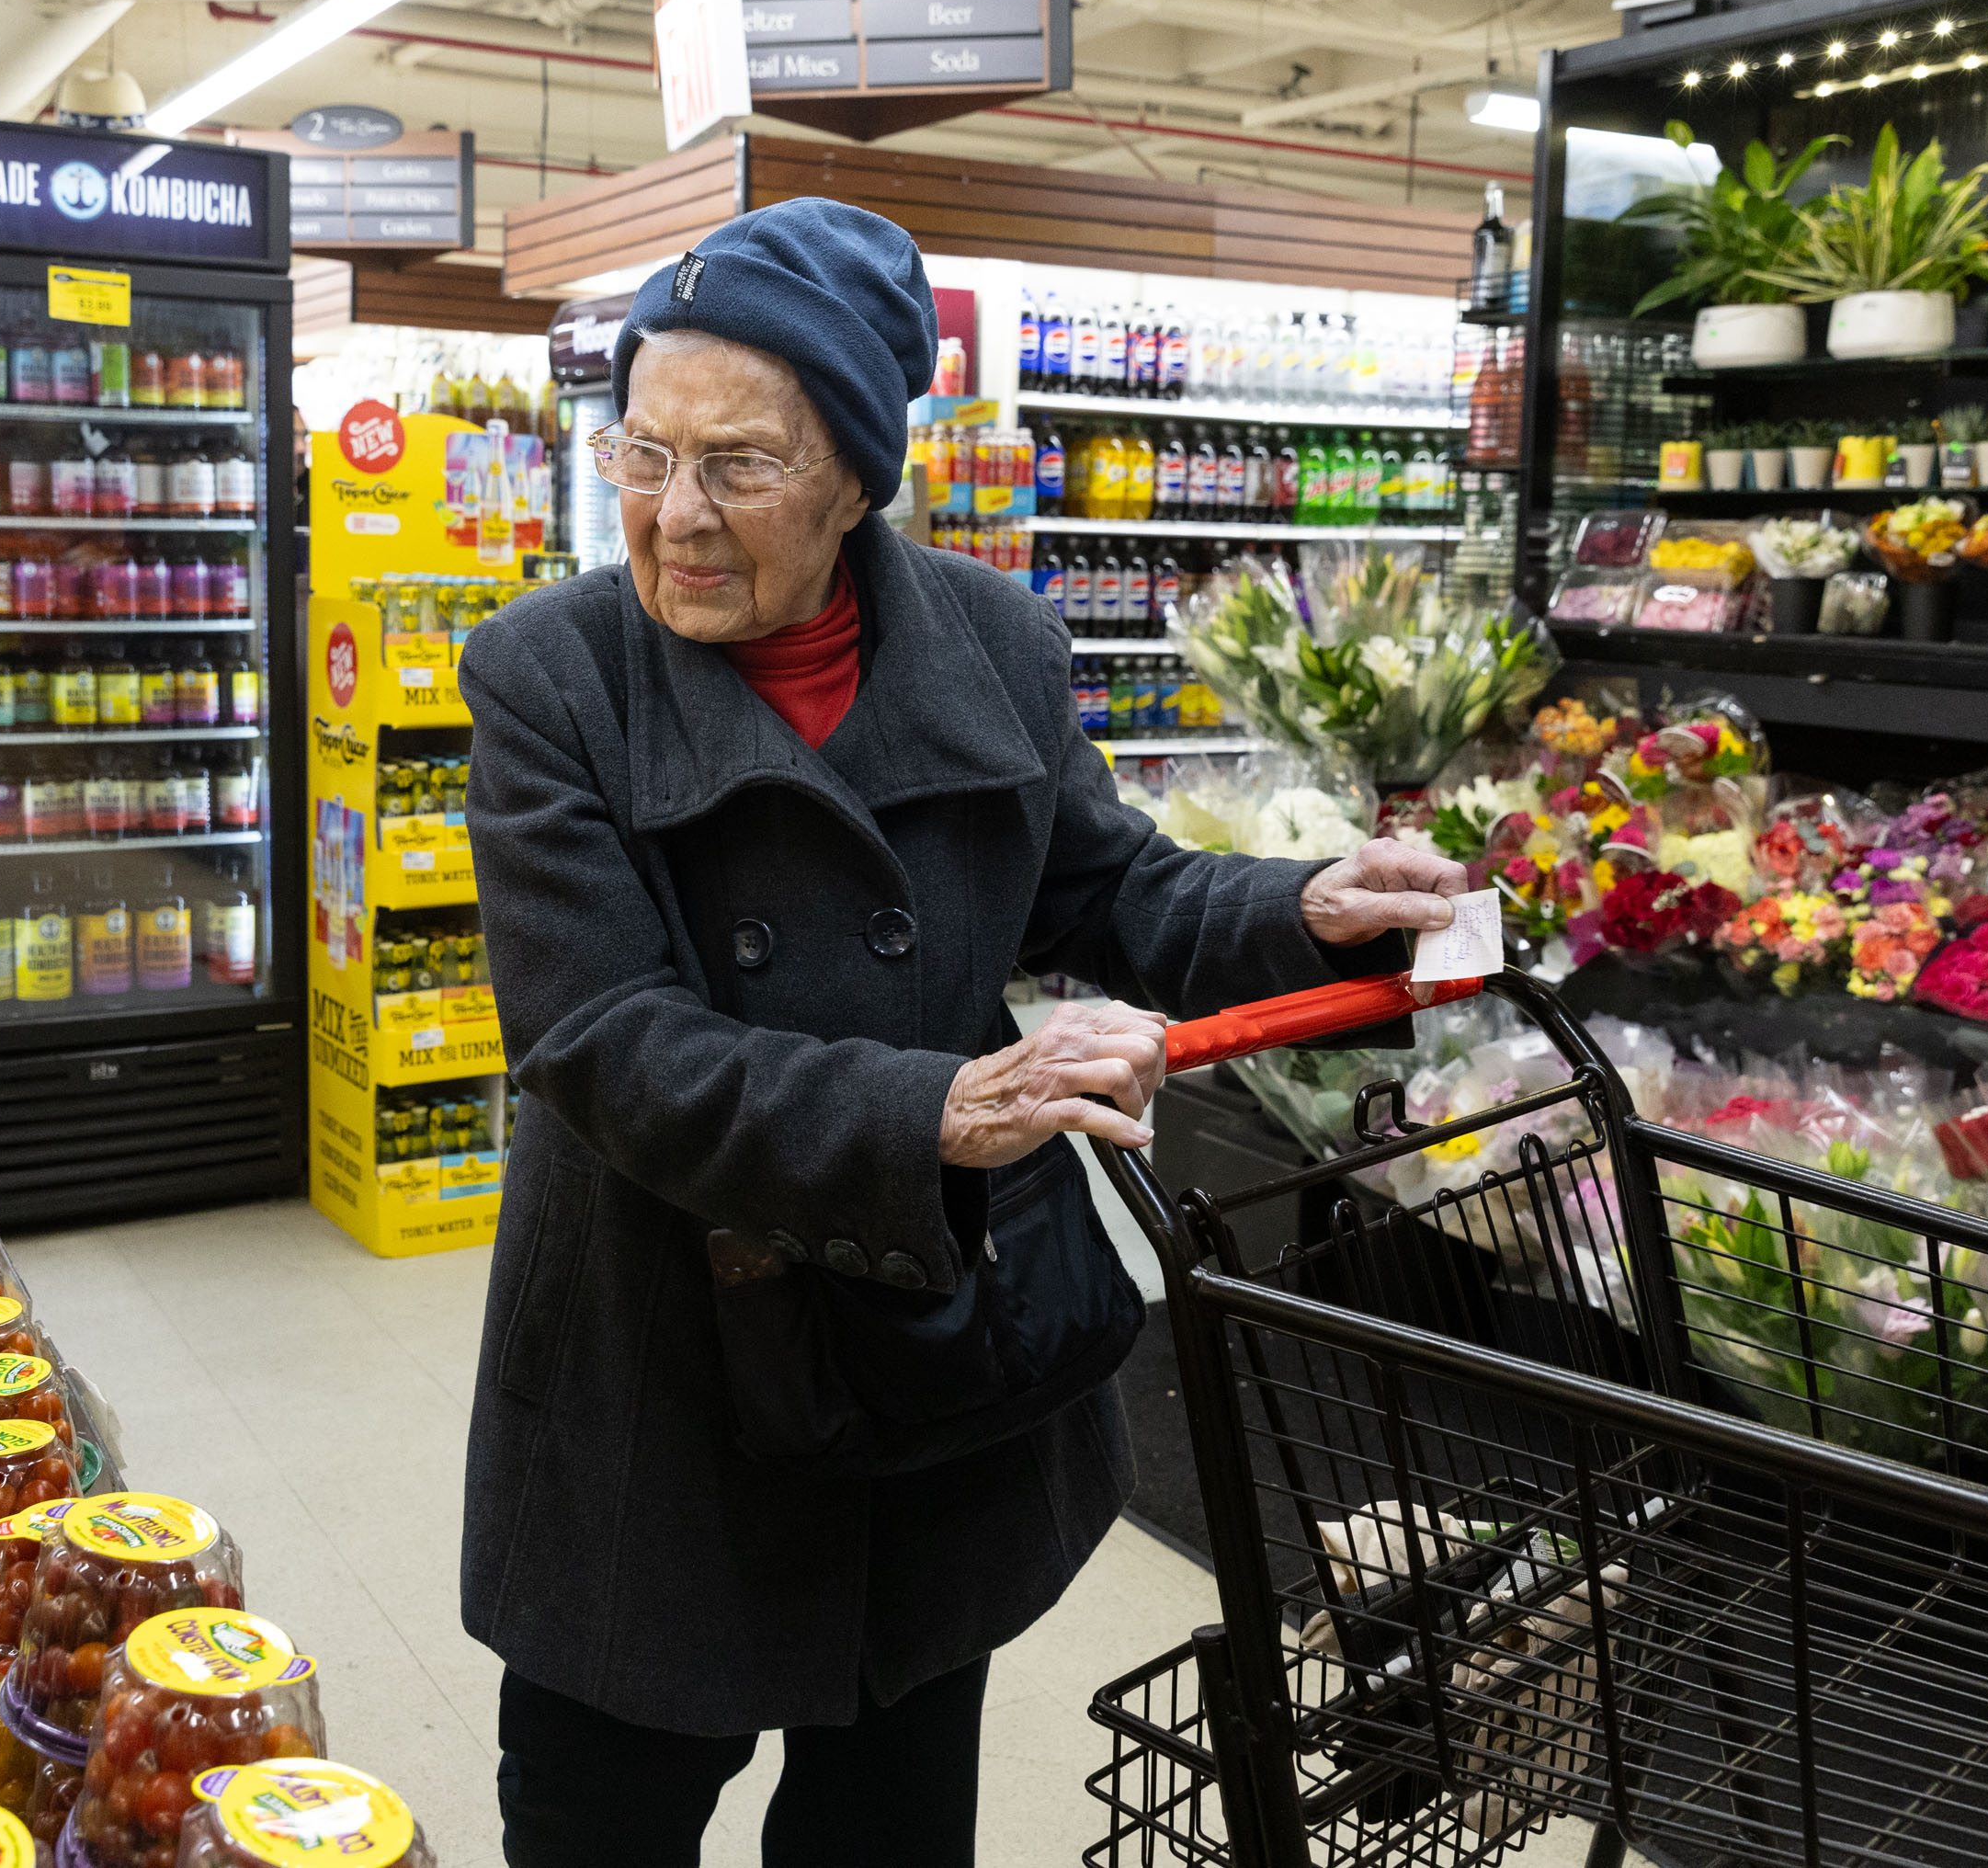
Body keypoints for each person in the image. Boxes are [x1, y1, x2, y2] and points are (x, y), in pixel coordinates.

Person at [459, 197, 1464, 1866]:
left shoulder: (993, 640)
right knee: (599, 1817)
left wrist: (1306, 902)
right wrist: (931, 1110)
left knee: (887, 1816)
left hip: (931, 1360)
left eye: (740, 465)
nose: (675, 518)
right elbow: (602, 1039)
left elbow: (1109, 891)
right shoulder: (551, 676)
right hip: (660, 1378)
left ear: (858, 471)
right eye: (645, 454)